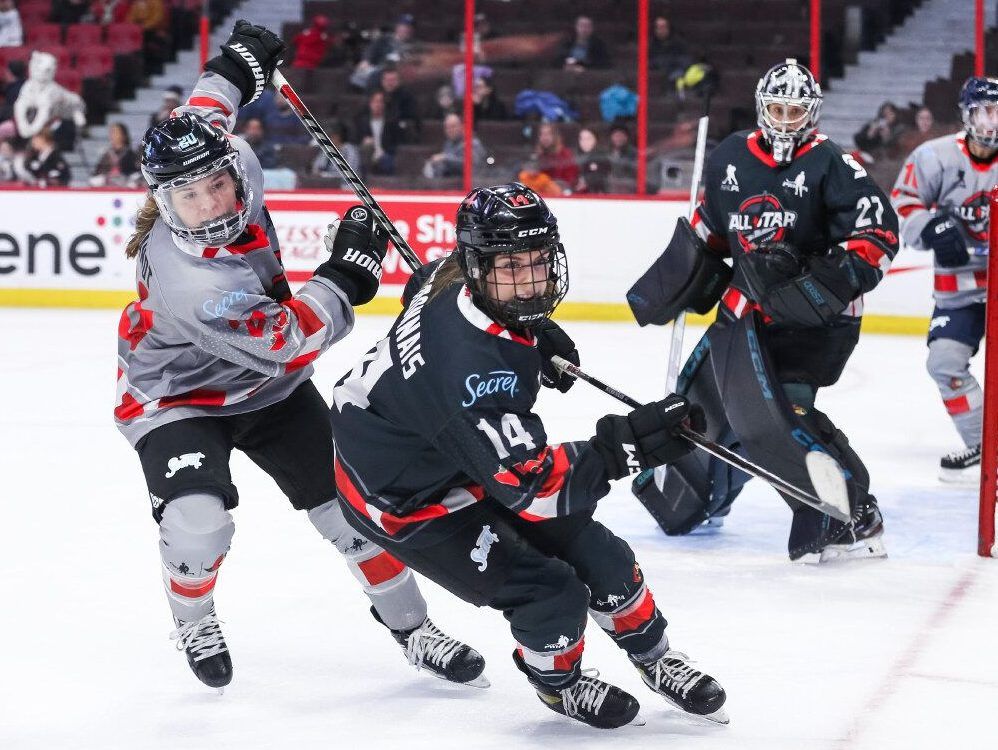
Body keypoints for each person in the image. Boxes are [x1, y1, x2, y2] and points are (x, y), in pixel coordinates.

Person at [114, 20, 485, 692]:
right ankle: (193, 615)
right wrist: (347, 272)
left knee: (353, 514)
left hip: (272, 393)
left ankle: (412, 628)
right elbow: (287, 336)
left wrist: (239, 61)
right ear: (164, 203)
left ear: (231, 168)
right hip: (178, 398)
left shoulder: (222, 159)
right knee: (198, 524)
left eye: (214, 186)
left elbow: (209, 103)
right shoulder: (189, 278)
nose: (207, 205)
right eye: (187, 198)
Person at [330, 182, 728, 729]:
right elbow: (537, 492)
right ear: (478, 267)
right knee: (549, 591)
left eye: (538, 262)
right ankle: (557, 685)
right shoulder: (470, 375)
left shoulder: (454, 280)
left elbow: (423, 289)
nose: (528, 280)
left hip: (439, 448)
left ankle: (655, 659)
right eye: (510, 266)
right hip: (402, 497)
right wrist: (622, 448)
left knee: (600, 553)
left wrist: (532, 330)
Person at [629, 59, 897, 563]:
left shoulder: (834, 163)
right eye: (777, 108)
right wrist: (684, 270)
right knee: (738, 411)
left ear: (811, 114)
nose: (785, 120)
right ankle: (705, 497)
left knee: (783, 410)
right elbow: (712, 226)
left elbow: (877, 234)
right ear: (761, 107)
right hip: (749, 316)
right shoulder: (730, 156)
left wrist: (819, 281)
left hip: (817, 321)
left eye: (796, 111)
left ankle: (854, 512)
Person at [890, 77, 998, 483]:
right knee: (945, 363)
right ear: (966, 114)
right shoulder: (932, 157)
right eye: (985, 111)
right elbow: (903, 201)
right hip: (960, 291)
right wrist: (931, 226)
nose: (992, 122)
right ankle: (986, 449)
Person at [422, 112, 485, 179]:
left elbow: (470, 165)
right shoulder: (448, 144)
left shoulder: (473, 143)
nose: (450, 130)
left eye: (453, 126)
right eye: (447, 127)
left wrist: (445, 158)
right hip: (453, 184)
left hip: (473, 184)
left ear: (462, 126)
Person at [354, 88, 401, 176]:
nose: (378, 105)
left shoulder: (391, 122)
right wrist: (364, 142)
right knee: (365, 149)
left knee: (387, 161)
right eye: (375, 102)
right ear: (370, 104)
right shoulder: (362, 122)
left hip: (384, 155)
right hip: (367, 154)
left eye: (380, 102)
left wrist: (384, 152)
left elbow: (396, 143)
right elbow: (355, 140)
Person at [90, 121, 141, 187]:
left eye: (116, 132)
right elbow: (98, 172)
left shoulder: (131, 153)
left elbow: (134, 171)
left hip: (125, 183)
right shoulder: (107, 154)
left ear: (123, 135)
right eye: (111, 133)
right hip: (108, 183)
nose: (112, 135)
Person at [534, 121, 578, 190]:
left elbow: (570, 182)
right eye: (542, 134)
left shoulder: (565, 155)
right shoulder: (537, 156)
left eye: (548, 134)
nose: (545, 137)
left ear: (555, 136)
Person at [573, 127, 609, 194]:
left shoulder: (601, 157)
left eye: (588, 139)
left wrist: (586, 181)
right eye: (581, 139)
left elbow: (601, 177)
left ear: (596, 140)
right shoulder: (575, 156)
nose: (584, 142)